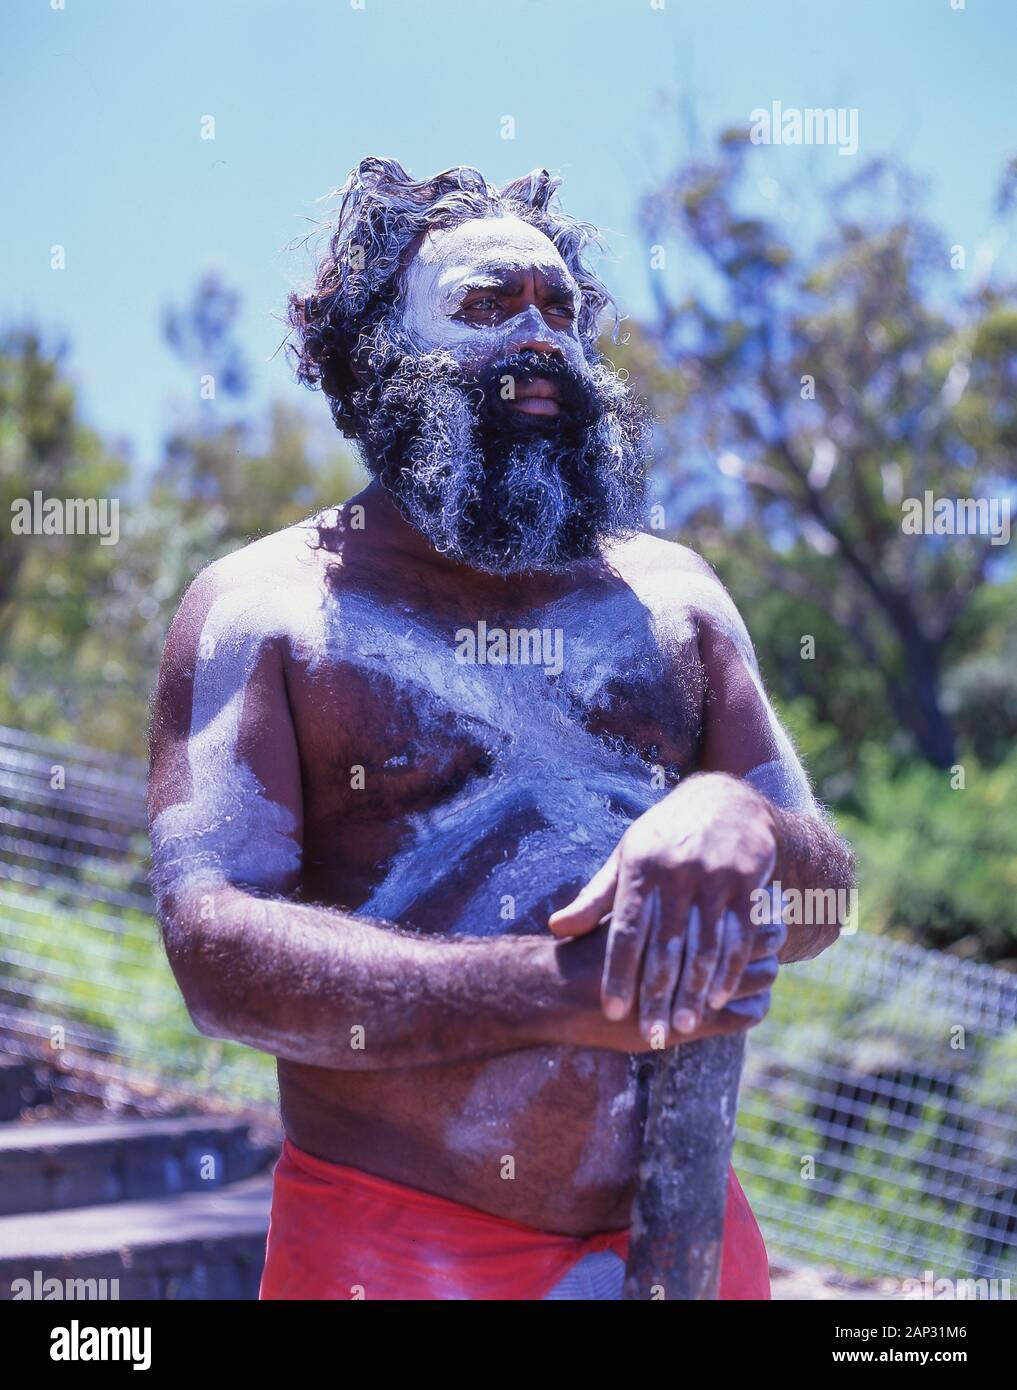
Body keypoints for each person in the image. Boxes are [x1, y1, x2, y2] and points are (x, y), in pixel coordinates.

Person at [147, 158, 854, 1300]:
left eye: (559, 310)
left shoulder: (672, 599)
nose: (540, 339)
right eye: (487, 306)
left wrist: (745, 823)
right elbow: (215, 951)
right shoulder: (265, 610)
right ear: (379, 353)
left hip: (686, 1237)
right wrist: (553, 988)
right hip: (395, 1251)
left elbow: (827, 899)